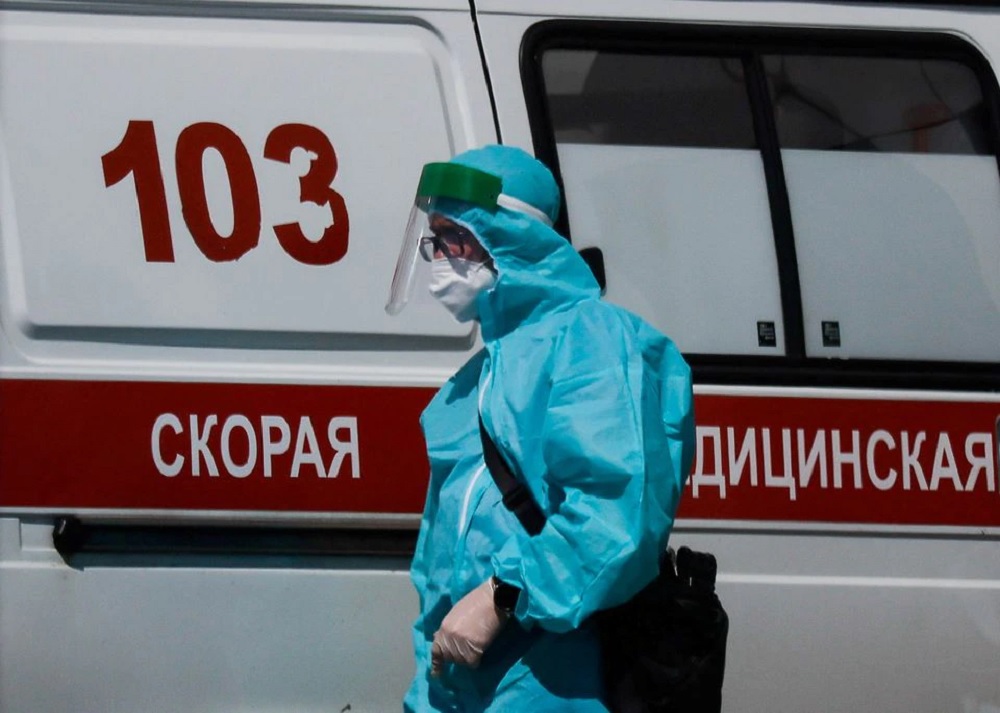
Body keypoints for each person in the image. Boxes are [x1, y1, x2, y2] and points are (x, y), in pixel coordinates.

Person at [386, 144, 694, 712]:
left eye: (453, 237)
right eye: (433, 239)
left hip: (555, 678)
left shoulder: (592, 342)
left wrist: (503, 596)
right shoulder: (476, 379)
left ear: (510, 235)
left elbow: (615, 518)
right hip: (467, 683)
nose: (439, 258)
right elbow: (442, 560)